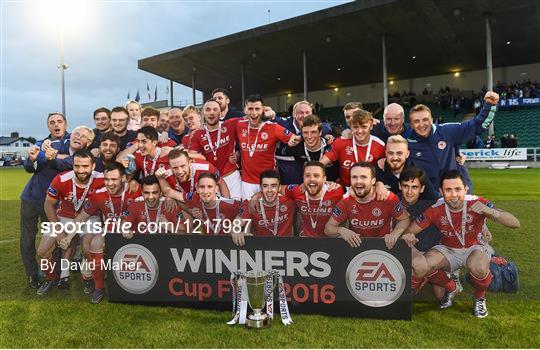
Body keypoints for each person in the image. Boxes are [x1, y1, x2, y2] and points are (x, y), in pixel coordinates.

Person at [403, 170, 520, 318]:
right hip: (448, 249)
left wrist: (491, 212)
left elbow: (515, 223)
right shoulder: (435, 209)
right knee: (423, 266)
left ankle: (479, 297)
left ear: (465, 189)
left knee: (478, 267)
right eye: (448, 190)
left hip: (475, 248)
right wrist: (408, 236)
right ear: (441, 191)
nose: (454, 195)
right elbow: (409, 231)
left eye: (458, 189)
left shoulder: (477, 202)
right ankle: (451, 287)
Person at [36, 150, 105, 295]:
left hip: (89, 218)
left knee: (88, 250)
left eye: (85, 166)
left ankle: (88, 277)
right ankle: (52, 279)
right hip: (64, 217)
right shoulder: (61, 179)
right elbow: (48, 204)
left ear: (93, 166)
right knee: (42, 251)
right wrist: (59, 230)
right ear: (72, 165)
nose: (81, 170)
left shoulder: (102, 179)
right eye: (77, 166)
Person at [72, 162, 140, 303]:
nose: (110, 183)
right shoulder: (99, 194)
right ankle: (99, 287)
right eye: (107, 179)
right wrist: (68, 236)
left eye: (114, 179)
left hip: (133, 230)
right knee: (95, 244)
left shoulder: (135, 189)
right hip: (110, 230)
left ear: (123, 178)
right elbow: (82, 217)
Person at [404, 91, 499, 190]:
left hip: (458, 191)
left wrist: (489, 105)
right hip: (431, 197)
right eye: (416, 121)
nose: (421, 124)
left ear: (432, 119)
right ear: (411, 124)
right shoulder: (407, 143)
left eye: (425, 119)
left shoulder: (447, 131)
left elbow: (477, 125)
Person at [20, 112, 70, 289]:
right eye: (52, 122)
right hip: (31, 199)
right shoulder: (41, 143)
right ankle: (32, 274)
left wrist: (51, 156)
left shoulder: (72, 142)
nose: (56, 125)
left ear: (66, 123)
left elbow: (71, 162)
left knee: (54, 239)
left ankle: (53, 274)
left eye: (59, 121)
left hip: (53, 203)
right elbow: (28, 166)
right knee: (27, 239)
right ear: (48, 126)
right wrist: (36, 156)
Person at [324, 162, 409, 247]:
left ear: (373, 181)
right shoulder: (346, 200)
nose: (358, 181)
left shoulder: (387, 197)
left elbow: (404, 220)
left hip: (385, 247)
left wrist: (394, 234)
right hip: (358, 248)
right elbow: (328, 228)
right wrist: (341, 230)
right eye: (354, 177)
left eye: (363, 177)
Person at [235, 95, 300, 200]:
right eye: (250, 109)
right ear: (245, 110)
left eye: (257, 109)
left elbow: (294, 137)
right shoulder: (239, 125)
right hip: (247, 182)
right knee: (249, 212)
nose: (254, 113)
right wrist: (235, 153)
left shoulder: (273, 127)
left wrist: (293, 140)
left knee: (267, 213)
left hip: (268, 182)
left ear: (263, 110)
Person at [189, 99, 243, 199]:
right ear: (203, 113)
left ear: (221, 112)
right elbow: (192, 155)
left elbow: (251, 118)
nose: (212, 113)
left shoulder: (231, 124)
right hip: (212, 180)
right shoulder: (197, 134)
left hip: (231, 177)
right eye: (208, 109)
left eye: (215, 109)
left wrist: (238, 153)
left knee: (237, 208)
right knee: (216, 213)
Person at [321, 109, 385, 188]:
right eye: (355, 127)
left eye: (364, 127)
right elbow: (320, 164)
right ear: (350, 126)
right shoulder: (341, 142)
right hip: (346, 189)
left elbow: (386, 172)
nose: (360, 131)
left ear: (371, 126)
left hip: (370, 190)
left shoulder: (380, 145)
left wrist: (380, 184)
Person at [275, 100, 333, 185]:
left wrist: (300, 137)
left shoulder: (327, 140)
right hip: (294, 178)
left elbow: (327, 128)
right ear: (294, 114)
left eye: (307, 112)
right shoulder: (284, 125)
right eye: (301, 113)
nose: (305, 116)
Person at [163, 172, 240, 235]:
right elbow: (169, 192)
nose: (205, 191)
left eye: (210, 187)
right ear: (197, 188)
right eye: (202, 187)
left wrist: (238, 230)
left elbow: (247, 210)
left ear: (216, 189)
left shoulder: (230, 204)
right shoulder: (194, 199)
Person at [232, 170, 295, 245]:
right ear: (261, 188)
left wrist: (257, 194)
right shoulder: (251, 203)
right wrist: (237, 233)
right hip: (261, 249)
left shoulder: (289, 201)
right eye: (265, 186)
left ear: (279, 188)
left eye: (273, 186)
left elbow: (304, 190)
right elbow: (233, 227)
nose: (269, 190)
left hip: (287, 249)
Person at [282, 161, 344, 237]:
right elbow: (277, 188)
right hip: (305, 239)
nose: (312, 179)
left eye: (316, 176)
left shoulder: (336, 190)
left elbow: (353, 194)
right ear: (303, 178)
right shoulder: (297, 190)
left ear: (324, 179)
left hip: (330, 240)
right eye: (307, 176)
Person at [283, 115, 339, 182]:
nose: (309, 137)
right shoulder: (295, 148)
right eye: (306, 133)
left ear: (320, 132)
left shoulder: (331, 146)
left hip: (331, 189)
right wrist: (288, 144)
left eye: (313, 132)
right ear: (302, 134)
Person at [156, 148, 229, 197]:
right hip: (187, 206)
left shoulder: (206, 168)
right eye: (175, 168)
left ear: (190, 162)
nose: (180, 171)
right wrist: (160, 178)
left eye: (183, 166)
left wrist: (227, 203)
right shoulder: (165, 175)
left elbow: (221, 183)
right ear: (169, 166)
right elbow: (167, 192)